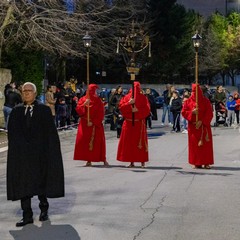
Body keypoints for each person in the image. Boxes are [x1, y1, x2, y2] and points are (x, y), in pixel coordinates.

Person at [7, 82, 64, 227]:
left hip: (40, 155)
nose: (26, 93)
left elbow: (51, 134)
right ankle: (27, 215)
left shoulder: (44, 111)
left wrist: (51, 152)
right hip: (23, 156)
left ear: (35, 93)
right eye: (24, 91)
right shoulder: (16, 111)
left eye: (29, 91)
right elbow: (12, 134)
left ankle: (44, 209)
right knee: (23, 185)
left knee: (41, 183)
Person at [117, 81, 150, 168]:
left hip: (139, 123)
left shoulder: (143, 98)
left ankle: (141, 160)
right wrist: (129, 104)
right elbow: (121, 108)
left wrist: (137, 110)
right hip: (129, 122)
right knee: (130, 143)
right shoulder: (127, 97)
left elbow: (147, 110)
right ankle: (132, 161)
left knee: (139, 143)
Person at [74, 84, 108, 167]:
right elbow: (78, 110)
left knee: (98, 142)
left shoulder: (98, 100)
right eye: (90, 91)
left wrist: (94, 122)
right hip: (84, 123)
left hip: (95, 124)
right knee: (84, 141)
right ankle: (88, 159)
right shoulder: (83, 99)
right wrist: (84, 105)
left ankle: (103, 159)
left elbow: (101, 113)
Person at [181, 83, 214, 169]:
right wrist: (192, 113)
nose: (194, 94)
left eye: (196, 92)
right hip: (193, 127)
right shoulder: (188, 101)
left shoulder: (206, 101)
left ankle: (206, 162)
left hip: (204, 127)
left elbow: (209, 113)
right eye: (193, 92)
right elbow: (184, 112)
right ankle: (196, 162)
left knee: (206, 147)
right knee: (195, 146)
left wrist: (202, 121)